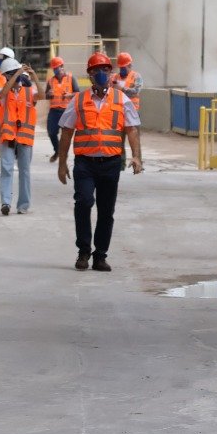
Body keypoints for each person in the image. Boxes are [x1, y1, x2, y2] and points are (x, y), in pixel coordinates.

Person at [57, 52, 144, 272]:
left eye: (105, 69)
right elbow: (67, 132)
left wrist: (136, 156)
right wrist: (62, 162)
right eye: (96, 70)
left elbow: (132, 129)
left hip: (111, 163)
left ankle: (100, 255)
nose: (101, 74)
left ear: (111, 72)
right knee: (84, 202)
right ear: (89, 74)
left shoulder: (121, 99)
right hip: (85, 163)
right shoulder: (78, 100)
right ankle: (84, 251)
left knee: (106, 210)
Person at [0, 58, 38, 216]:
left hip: (24, 138)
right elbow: (4, 93)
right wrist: (18, 73)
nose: (16, 76)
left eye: (17, 73)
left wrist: (33, 76)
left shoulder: (28, 91)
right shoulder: (4, 91)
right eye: (11, 74)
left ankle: (23, 205)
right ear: (6, 76)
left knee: (24, 171)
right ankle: (6, 202)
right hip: (8, 136)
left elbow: (41, 94)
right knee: (6, 169)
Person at [45, 56, 80, 162]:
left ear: (62, 67)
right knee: (51, 132)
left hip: (67, 111)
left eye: (57, 68)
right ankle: (58, 151)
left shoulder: (71, 78)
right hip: (54, 111)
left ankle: (63, 155)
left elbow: (78, 93)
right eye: (54, 68)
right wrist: (49, 94)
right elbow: (46, 96)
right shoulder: (50, 81)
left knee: (66, 135)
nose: (56, 70)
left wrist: (70, 94)